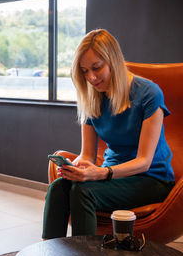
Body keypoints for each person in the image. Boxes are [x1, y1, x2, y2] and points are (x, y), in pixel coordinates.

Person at [42, 29, 175, 239]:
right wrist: (75, 168)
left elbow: (144, 161)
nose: (91, 78)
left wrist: (101, 173)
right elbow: (87, 155)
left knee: (83, 192)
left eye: (97, 68)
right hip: (111, 177)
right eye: (85, 71)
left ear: (113, 60)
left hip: (151, 180)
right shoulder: (92, 98)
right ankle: (48, 252)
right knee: (60, 187)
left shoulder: (149, 93)